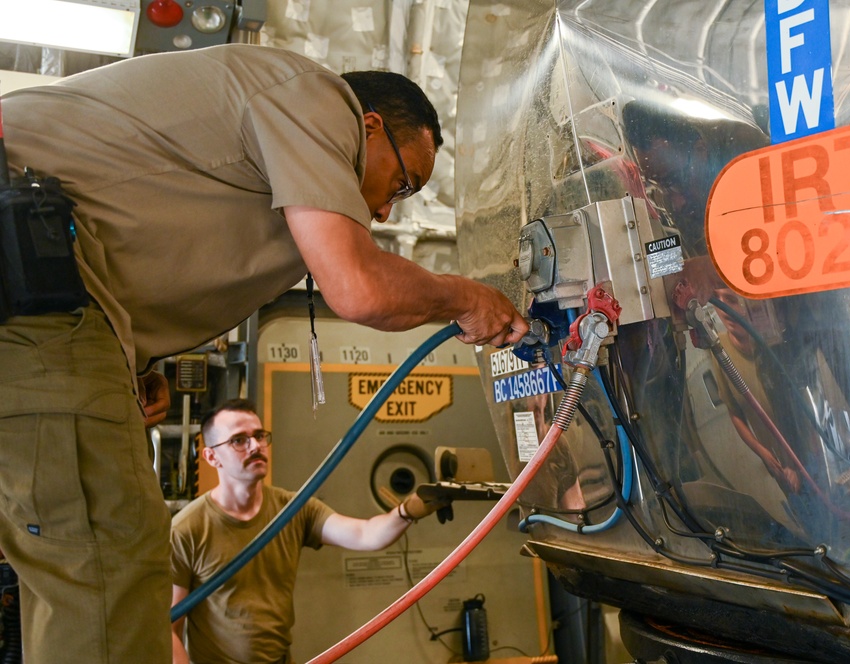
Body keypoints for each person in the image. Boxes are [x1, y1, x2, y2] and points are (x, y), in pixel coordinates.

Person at [0, 43, 527, 664]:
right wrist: (464, 297)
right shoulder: (316, 97)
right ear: (370, 127)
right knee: (105, 548)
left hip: (47, 289)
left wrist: (127, 357)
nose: (386, 209)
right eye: (403, 182)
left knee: (69, 552)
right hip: (32, 274)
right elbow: (358, 288)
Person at [170, 399, 443, 664]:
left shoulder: (294, 508)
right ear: (211, 456)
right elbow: (169, 628)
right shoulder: (187, 530)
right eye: (239, 440)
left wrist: (408, 510)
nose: (255, 446)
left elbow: (365, 534)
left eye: (259, 435)